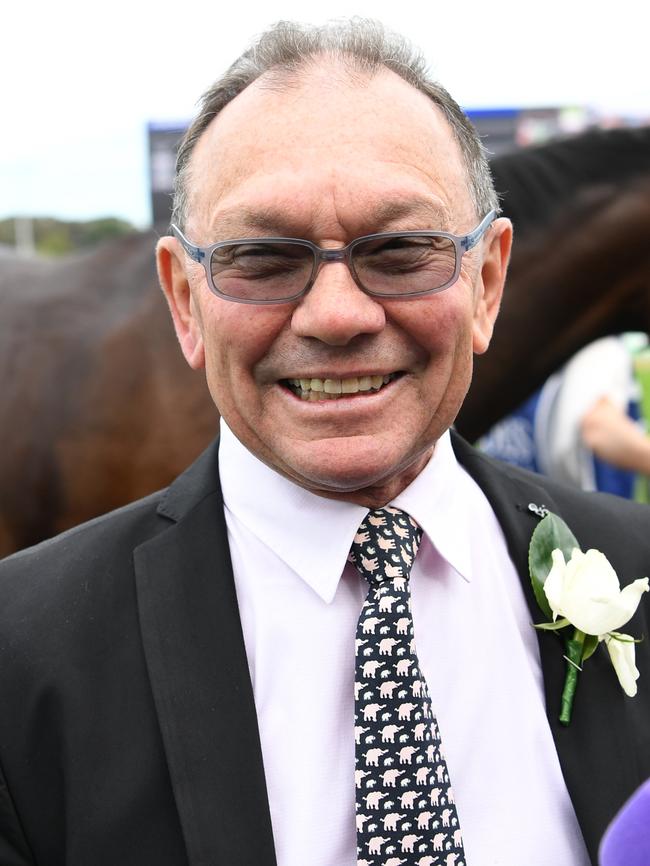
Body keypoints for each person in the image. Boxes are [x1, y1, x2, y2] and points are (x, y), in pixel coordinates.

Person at [0, 19, 648, 866]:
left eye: (403, 250)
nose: (337, 315)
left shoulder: (637, 566)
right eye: (263, 258)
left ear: (488, 282)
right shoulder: (20, 653)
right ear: (185, 302)